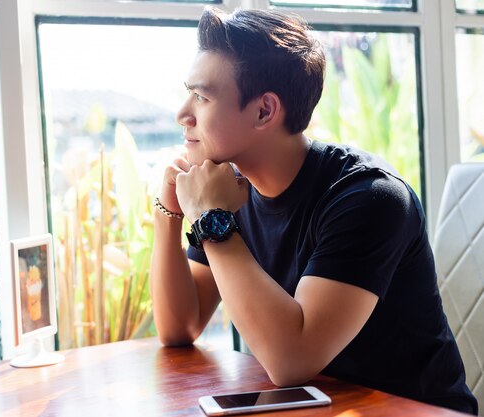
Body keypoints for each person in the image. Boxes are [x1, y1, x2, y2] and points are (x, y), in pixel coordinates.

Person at [150, 6, 478, 415]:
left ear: (264, 111)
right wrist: (171, 210)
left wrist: (210, 221)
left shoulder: (369, 196)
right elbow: (180, 327)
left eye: (202, 96)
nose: (183, 113)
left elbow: (291, 361)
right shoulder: (228, 189)